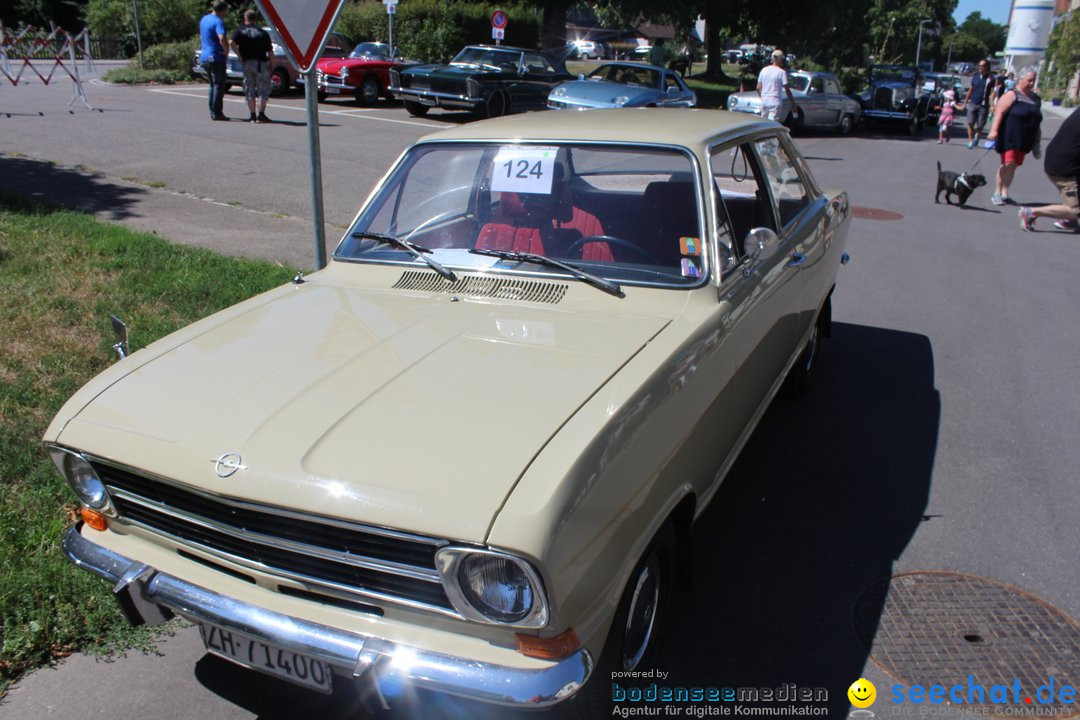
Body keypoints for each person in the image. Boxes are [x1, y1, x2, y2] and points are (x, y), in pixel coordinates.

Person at [1019, 107, 1080, 232]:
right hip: (1065, 167)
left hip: (1059, 159)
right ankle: (1031, 212)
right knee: (1075, 210)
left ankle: (1069, 220)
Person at [987, 69, 1042, 207]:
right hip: (1009, 136)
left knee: (1014, 166)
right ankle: (997, 193)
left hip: (1025, 138)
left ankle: (1005, 193)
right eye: (1029, 80)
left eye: (1033, 81)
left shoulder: (1036, 99)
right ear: (1020, 80)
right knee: (1007, 163)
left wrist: (1037, 141)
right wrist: (993, 131)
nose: (1031, 83)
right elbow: (999, 112)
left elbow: (1037, 122)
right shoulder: (1012, 95)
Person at [230, 9, 273, 123]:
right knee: (263, 89)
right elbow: (270, 51)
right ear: (256, 19)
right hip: (261, 63)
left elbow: (231, 42)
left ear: (245, 19)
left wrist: (239, 55)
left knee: (249, 88)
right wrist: (271, 64)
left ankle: (252, 115)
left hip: (247, 62)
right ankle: (261, 114)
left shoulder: (240, 31)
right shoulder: (263, 33)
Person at [199, 2, 230, 121]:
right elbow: (222, 37)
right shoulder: (218, 21)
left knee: (212, 85)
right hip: (216, 57)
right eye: (226, 11)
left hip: (205, 56)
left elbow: (201, 36)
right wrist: (226, 51)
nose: (226, 14)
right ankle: (217, 112)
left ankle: (212, 110)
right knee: (219, 85)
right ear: (222, 11)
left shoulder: (204, 19)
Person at [963, 59, 997, 148]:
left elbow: (993, 93)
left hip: (983, 105)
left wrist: (992, 105)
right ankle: (970, 141)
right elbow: (970, 90)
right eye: (979, 65)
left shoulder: (991, 78)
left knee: (980, 124)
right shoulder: (975, 76)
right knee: (970, 122)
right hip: (973, 103)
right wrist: (965, 103)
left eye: (982, 66)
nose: (980, 67)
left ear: (987, 67)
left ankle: (977, 136)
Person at [756, 49, 797, 123]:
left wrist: (762, 97)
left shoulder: (764, 70)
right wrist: (793, 104)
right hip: (775, 103)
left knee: (763, 125)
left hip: (764, 102)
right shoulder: (781, 72)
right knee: (772, 126)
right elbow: (787, 90)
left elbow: (758, 88)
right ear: (780, 60)